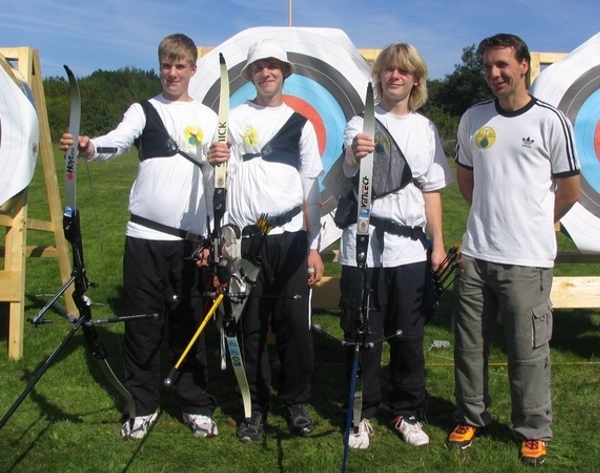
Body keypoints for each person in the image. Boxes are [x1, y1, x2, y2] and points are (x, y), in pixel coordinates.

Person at [60, 33, 229, 440]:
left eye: (180, 66)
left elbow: (218, 177)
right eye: (166, 66)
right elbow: (115, 142)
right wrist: (87, 146)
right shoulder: (144, 110)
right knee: (142, 322)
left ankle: (194, 402)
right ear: (161, 68)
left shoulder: (208, 118)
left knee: (190, 322)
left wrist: (215, 161)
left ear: (192, 70)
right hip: (144, 236)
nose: (172, 73)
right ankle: (142, 403)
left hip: (190, 241)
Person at [447, 33, 581, 466]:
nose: (494, 74)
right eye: (487, 66)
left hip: (528, 258)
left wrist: (533, 222)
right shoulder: (473, 118)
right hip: (477, 252)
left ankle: (533, 427)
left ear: (524, 66)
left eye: (503, 64)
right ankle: (471, 415)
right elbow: (466, 180)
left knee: (528, 350)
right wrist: (490, 217)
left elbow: (570, 189)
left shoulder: (549, 120)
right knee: (469, 345)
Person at [337, 43, 453, 450]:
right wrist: (358, 151)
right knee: (362, 331)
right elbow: (353, 162)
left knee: (408, 335)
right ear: (379, 76)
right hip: (363, 244)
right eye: (388, 70)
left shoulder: (424, 129)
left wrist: (437, 245)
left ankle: (408, 410)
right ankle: (361, 413)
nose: (395, 76)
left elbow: (432, 190)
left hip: (409, 248)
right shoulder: (360, 122)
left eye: (404, 71)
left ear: (416, 79)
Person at [207, 38, 324, 442]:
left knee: (294, 325)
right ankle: (252, 409)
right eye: (259, 67)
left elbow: (312, 189)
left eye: (274, 66)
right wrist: (214, 162)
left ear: (284, 73)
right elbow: (218, 181)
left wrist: (313, 246)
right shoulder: (233, 120)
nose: (267, 72)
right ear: (252, 75)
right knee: (249, 326)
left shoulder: (301, 124)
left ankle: (295, 403)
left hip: (290, 238)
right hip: (246, 242)